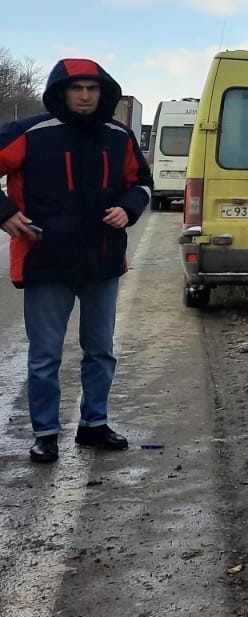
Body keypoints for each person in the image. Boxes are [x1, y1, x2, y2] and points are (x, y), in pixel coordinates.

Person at [0, 60, 153, 464]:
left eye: (92, 88)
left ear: (103, 92)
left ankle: (94, 425)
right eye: (76, 88)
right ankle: (46, 433)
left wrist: (128, 208)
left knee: (100, 350)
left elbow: (141, 183)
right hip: (44, 260)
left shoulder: (118, 136)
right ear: (60, 92)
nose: (85, 95)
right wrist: (4, 213)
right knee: (46, 354)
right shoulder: (30, 133)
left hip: (102, 262)